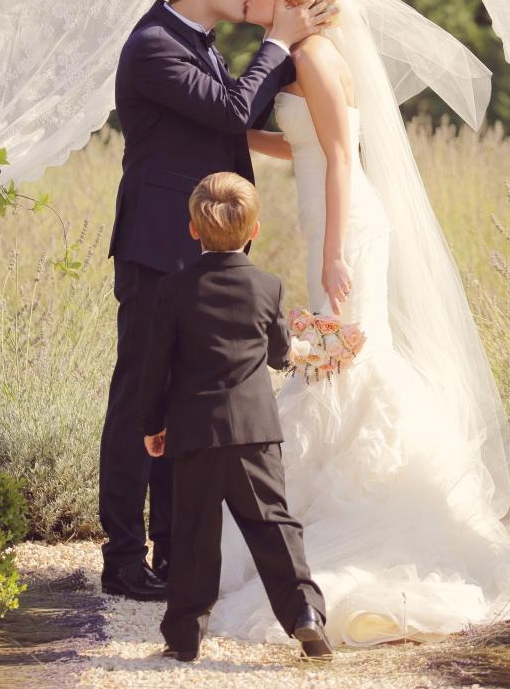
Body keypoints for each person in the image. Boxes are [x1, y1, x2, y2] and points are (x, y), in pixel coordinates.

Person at [210, 0, 510, 647]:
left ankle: (349, 500)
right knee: (334, 364)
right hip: (330, 218)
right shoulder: (306, 55)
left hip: (344, 229)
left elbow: (343, 156)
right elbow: (312, 142)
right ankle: (312, 497)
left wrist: (331, 252)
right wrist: (242, 135)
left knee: (340, 363)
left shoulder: (313, 55)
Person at [99, 0, 335, 600]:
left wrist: (303, 52)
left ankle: (172, 552)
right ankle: (121, 562)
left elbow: (245, 114)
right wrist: (278, 45)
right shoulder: (152, 47)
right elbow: (234, 110)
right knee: (136, 406)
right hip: (156, 252)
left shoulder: (198, 44)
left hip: (199, 253)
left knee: (185, 404)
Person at [140, 172, 330, 663]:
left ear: (192, 229)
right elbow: (278, 354)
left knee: (194, 533)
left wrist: (152, 425)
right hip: (254, 431)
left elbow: (155, 365)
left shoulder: (174, 289)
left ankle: (184, 637)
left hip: (195, 431)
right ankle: (305, 613)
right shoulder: (267, 286)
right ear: (255, 229)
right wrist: (301, 344)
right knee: (274, 524)